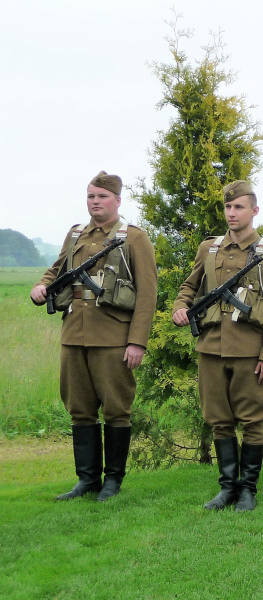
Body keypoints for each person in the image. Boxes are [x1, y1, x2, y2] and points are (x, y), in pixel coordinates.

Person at [31, 171, 157, 502]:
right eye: (90, 196)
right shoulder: (75, 235)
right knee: (80, 409)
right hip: (74, 335)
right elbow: (57, 269)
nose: (95, 202)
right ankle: (86, 480)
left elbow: (146, 295)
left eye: (102, 196)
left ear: (117, 200)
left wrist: (137, 341)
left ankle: (113, 481)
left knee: (116, 409)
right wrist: (41, 286)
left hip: (114, 336)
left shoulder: (134, 238)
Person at [172, 180, 263, 511]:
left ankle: (248, 489)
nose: (232, 213)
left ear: (254, 211)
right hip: (210, 348)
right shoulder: (209, 249)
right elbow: (189, 285)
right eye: (227, 207)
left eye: (238, 207)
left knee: (252, 419)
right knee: (218, 418)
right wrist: (180, 307)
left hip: (250, 351)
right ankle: (227, 488)